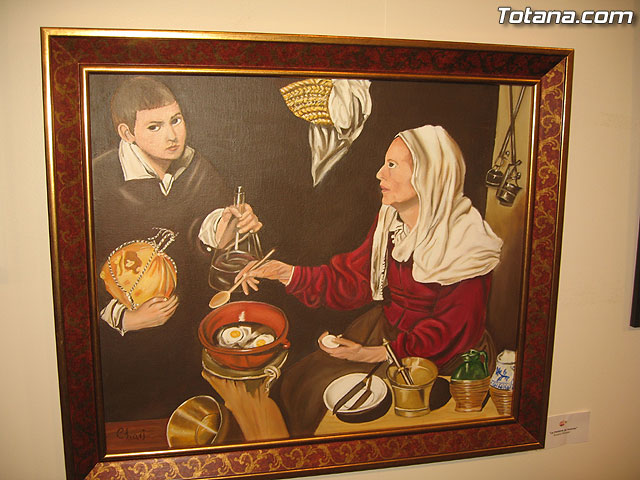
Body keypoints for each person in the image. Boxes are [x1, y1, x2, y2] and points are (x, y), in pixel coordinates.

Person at [238, 124, 503, 436]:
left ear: (428, 174)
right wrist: (286, 272)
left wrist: (370, 354)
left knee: (331, 402)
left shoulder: (467, 241)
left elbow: (451, 329)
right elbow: (355, 279)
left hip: (442, 358)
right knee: (299, 381)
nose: (380, 174)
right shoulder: (391, 220)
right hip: (387, 333)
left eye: (392, 165)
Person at [93, 76, 262, 422]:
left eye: (176, 120)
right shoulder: (98, 179)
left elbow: (202, 234)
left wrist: (231, 224)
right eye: (154, 126)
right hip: (128, 349)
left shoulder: (198, 168)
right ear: (127, 133)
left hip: (189, 330)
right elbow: (73, 273)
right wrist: (126, 318)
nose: (172, 135)